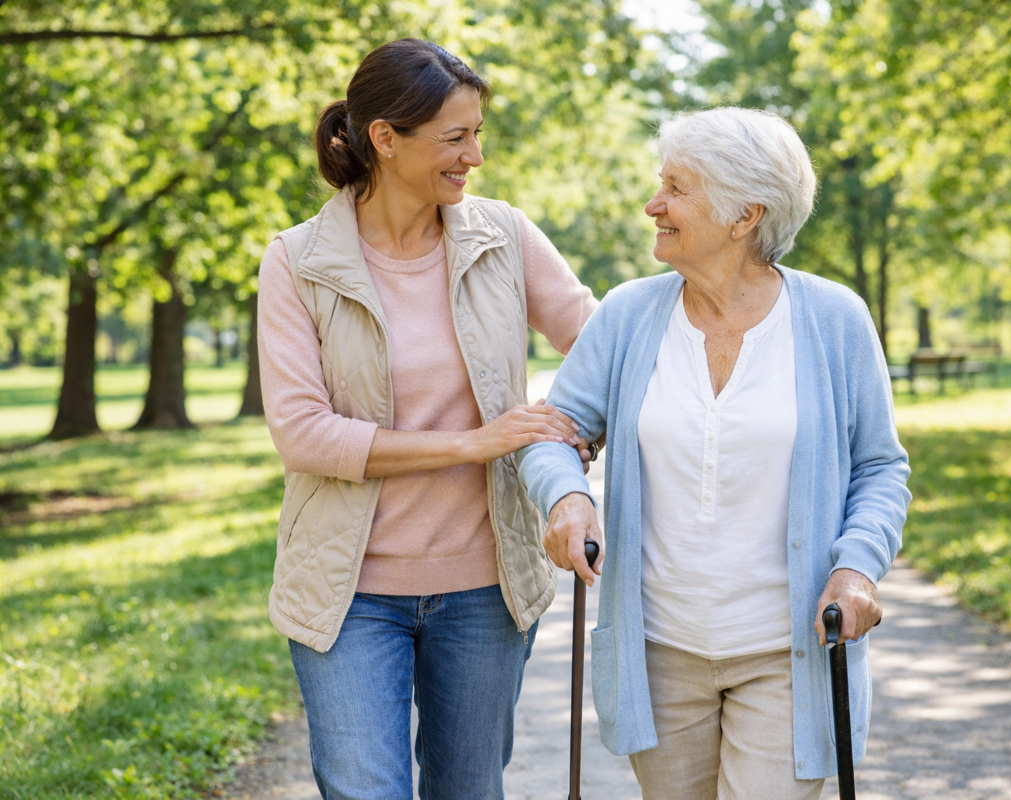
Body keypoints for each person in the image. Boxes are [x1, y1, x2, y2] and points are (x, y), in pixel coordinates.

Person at [517, 107, 911, 800]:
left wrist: (857, 568)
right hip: (659, 653)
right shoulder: (628, 314)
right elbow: (556, 429)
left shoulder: (834, 320)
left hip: (789, 654)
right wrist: (568, 494)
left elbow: (880, 466)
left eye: (676, 188)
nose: (653, 205)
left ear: (743, 215)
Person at [256, 38, 598, 800]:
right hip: (349, 595)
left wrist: (576, 440)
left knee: (468, 790)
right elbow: (303, 431)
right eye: (455, 137)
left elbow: (598, 341)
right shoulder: (298, 261)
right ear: (385, 138)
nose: (474, 155)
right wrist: (472, 443)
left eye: (477, 134)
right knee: (363, 790)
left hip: (484, 588)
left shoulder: (504, 237)